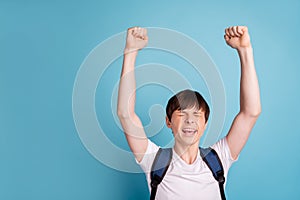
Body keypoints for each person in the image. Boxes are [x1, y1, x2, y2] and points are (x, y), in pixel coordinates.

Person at [117, 26, 261, 199]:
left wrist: (245, 51)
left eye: (197, 115)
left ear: (205, 123)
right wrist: (130, 52)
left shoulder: (219, 159)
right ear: (168, 121)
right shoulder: (154, 161)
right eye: (182, 113)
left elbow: (250, 112)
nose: (190, 120)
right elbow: (125, 114)